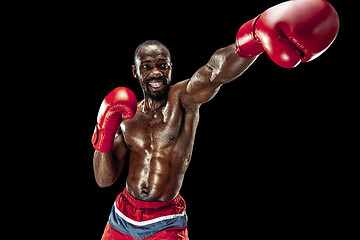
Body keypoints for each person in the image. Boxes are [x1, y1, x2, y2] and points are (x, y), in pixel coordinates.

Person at [91, 1, 339, 239]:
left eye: (162, 65)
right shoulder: (126, 115)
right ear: (135, 71)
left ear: (170, 67)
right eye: (146, 66)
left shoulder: (182, 99)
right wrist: (103, 133)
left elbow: (213, 73)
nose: (156, 72)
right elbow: (104, 180)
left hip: (164, 223)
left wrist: (255, 37)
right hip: (122, 216)